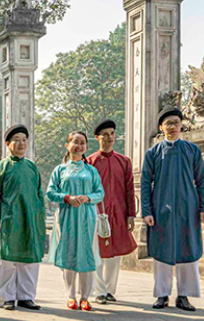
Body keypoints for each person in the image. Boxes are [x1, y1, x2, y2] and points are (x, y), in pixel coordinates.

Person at [142, 107, 204, 312]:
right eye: (168, 123)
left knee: (187, 251)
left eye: (176, 122)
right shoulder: (153, 153)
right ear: (161, 127)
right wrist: (146, 211)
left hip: (187, 208)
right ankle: (162, 295)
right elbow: (146, 183)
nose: (172, 127)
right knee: (162, 253)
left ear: (182, 125)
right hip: (160, 208)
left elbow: (201, 181)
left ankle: (184, 296)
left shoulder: (192, 150)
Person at [47, 131, 105, 311]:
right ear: (67, 145)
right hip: (66, 216)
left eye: (83, 143)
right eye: (75, 142)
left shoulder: (91, 170)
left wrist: (87, 198)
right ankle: (70, 295)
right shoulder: (60, 169)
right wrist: (66, 198)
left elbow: (100, 193)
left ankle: (85, 297)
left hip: (87, 216)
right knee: (69, 254)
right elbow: (50, 192)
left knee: (86, 255)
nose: (79, 146)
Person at [0, 124, 46, 311]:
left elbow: (39, 194)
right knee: (7, 260)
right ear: (8, 143)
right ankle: (7, 297)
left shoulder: (32, 167)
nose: (21, 143)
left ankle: (26, 297)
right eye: (17, 140)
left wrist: (40, 219)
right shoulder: (2, 167)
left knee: (29, 261)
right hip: (9, 219)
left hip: (30, 218)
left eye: (24, 140)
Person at [86, 120, 137, 305]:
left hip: (118, 212)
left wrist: (131, 214)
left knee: (115, 254)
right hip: (97, 213)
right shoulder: (89, 162)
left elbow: (130, 189)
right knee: (97, 251)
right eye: (105, 134)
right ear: (97, 137)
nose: (109, 137)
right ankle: (99, 291)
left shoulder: (123, 161)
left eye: (112, 133)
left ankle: (109, 290)